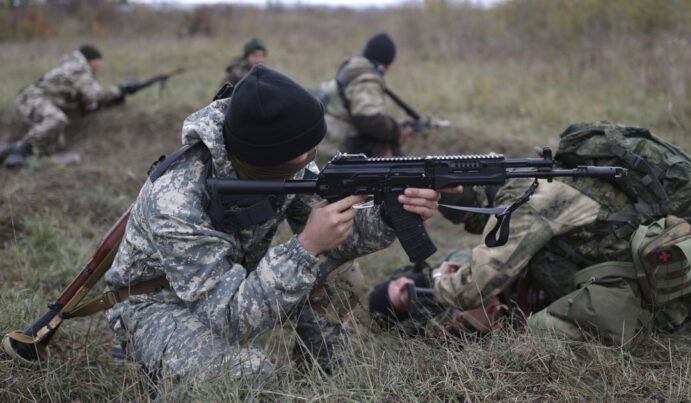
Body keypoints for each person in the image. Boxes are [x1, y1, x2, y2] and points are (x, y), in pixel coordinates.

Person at [103, 65, 448, 381]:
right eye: (303, 153)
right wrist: (305, 248)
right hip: (157, 303)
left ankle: (320, 375)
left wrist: (390, 213)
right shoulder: (177, 199)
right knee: (247, 374)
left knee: (343, 276)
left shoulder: (283, 159)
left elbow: (339, 232)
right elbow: (229, 316)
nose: (311, 157)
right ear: (266, 158)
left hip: (229, 284)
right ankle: (158, 363)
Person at [369, 123, 691, 346]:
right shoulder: (550, 181)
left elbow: (473, 287)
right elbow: (495, 217)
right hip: (660, 275)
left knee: (539, 331)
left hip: (649, 298)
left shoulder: (534, 204)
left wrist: (436, 285)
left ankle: (659, 330)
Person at [0, 44, 125, 167]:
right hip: (32, 99)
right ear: (91, 60)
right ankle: (19, 149)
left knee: (57, 141)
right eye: (98, 60)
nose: (100, 65)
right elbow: (96, 94)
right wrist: (121, 89)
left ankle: (16, 154)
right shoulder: (79, 69)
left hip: (35, 99)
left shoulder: (74, 67)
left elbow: (86, 100)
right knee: (57, 119)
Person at [318, 32, 412, 160]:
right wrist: (397, 131)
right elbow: (369, 119)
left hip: (328, 144)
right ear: (386, 64)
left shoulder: (353, 71)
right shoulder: (366, 78)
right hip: (337, 152)